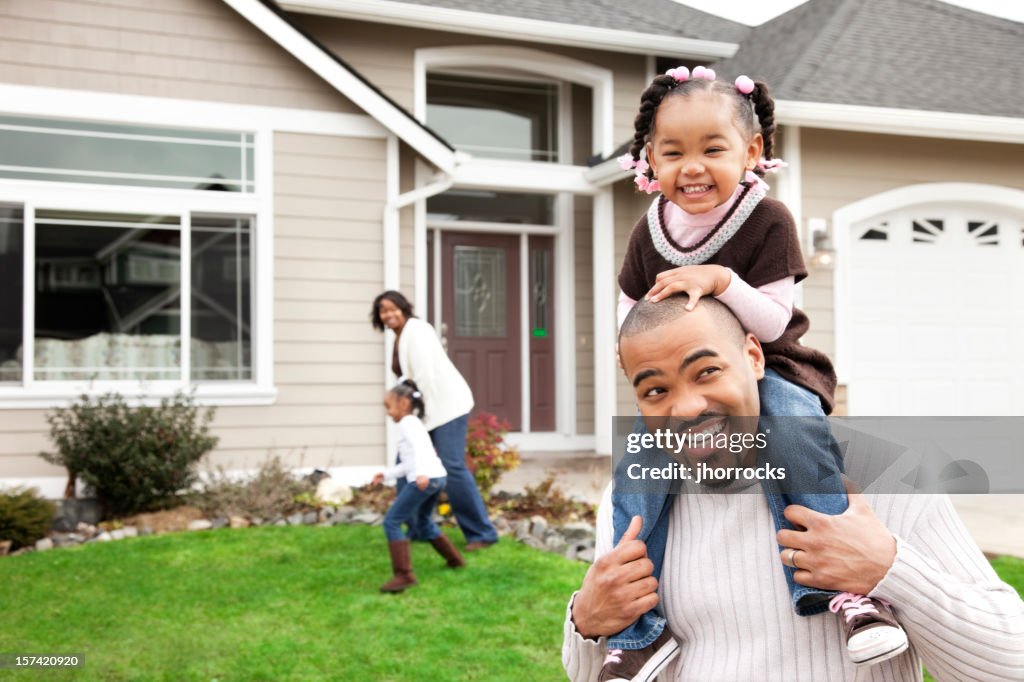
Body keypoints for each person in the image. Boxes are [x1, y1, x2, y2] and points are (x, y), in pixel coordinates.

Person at [604, 65, 902, 680]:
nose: (692, 167)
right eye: (673, 152)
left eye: (713, 148)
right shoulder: (648, 231)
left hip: (776, 368)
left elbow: (771, 320)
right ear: (649, 160)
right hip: (685, 377)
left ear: (752, 150)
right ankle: (638, 631)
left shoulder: (767, 221)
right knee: (637, 467)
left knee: (794, 435)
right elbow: (630, 310)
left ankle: (850, 595)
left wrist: (721, 282)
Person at [562, 295, 1024, 681]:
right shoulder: (636, 502)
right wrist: (587, 622)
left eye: (706, 372)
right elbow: (591, 674)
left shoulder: (884, 473)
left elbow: (1009, 664)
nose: (686, 407)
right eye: (656, 391)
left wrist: (890, 569)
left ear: (753, 356)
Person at [370, 290, 499, 550]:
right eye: (383, 311)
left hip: (446, 406)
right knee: (407, 463)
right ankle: (418, 528)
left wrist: (413, 414)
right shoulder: (400, 337)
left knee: (452, 466)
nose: (389, 314)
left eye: (393, 308)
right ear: (379, 317)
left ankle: (482, 533)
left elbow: (425, 376)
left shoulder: (416, 330)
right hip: (424, 410)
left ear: (404, 308)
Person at [372, 379, 465, 593]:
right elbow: (408, 463)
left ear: (403, 404)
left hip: (425, 479)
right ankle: (455, 560)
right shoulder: (414, 423)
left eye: (388, 406)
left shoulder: (407, 423)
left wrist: (422, 473)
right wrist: (386, 475)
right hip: (436, 477)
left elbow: (420, 452)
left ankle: (404, 575)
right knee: (423, 522)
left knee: (392, 522)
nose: (387, 412)